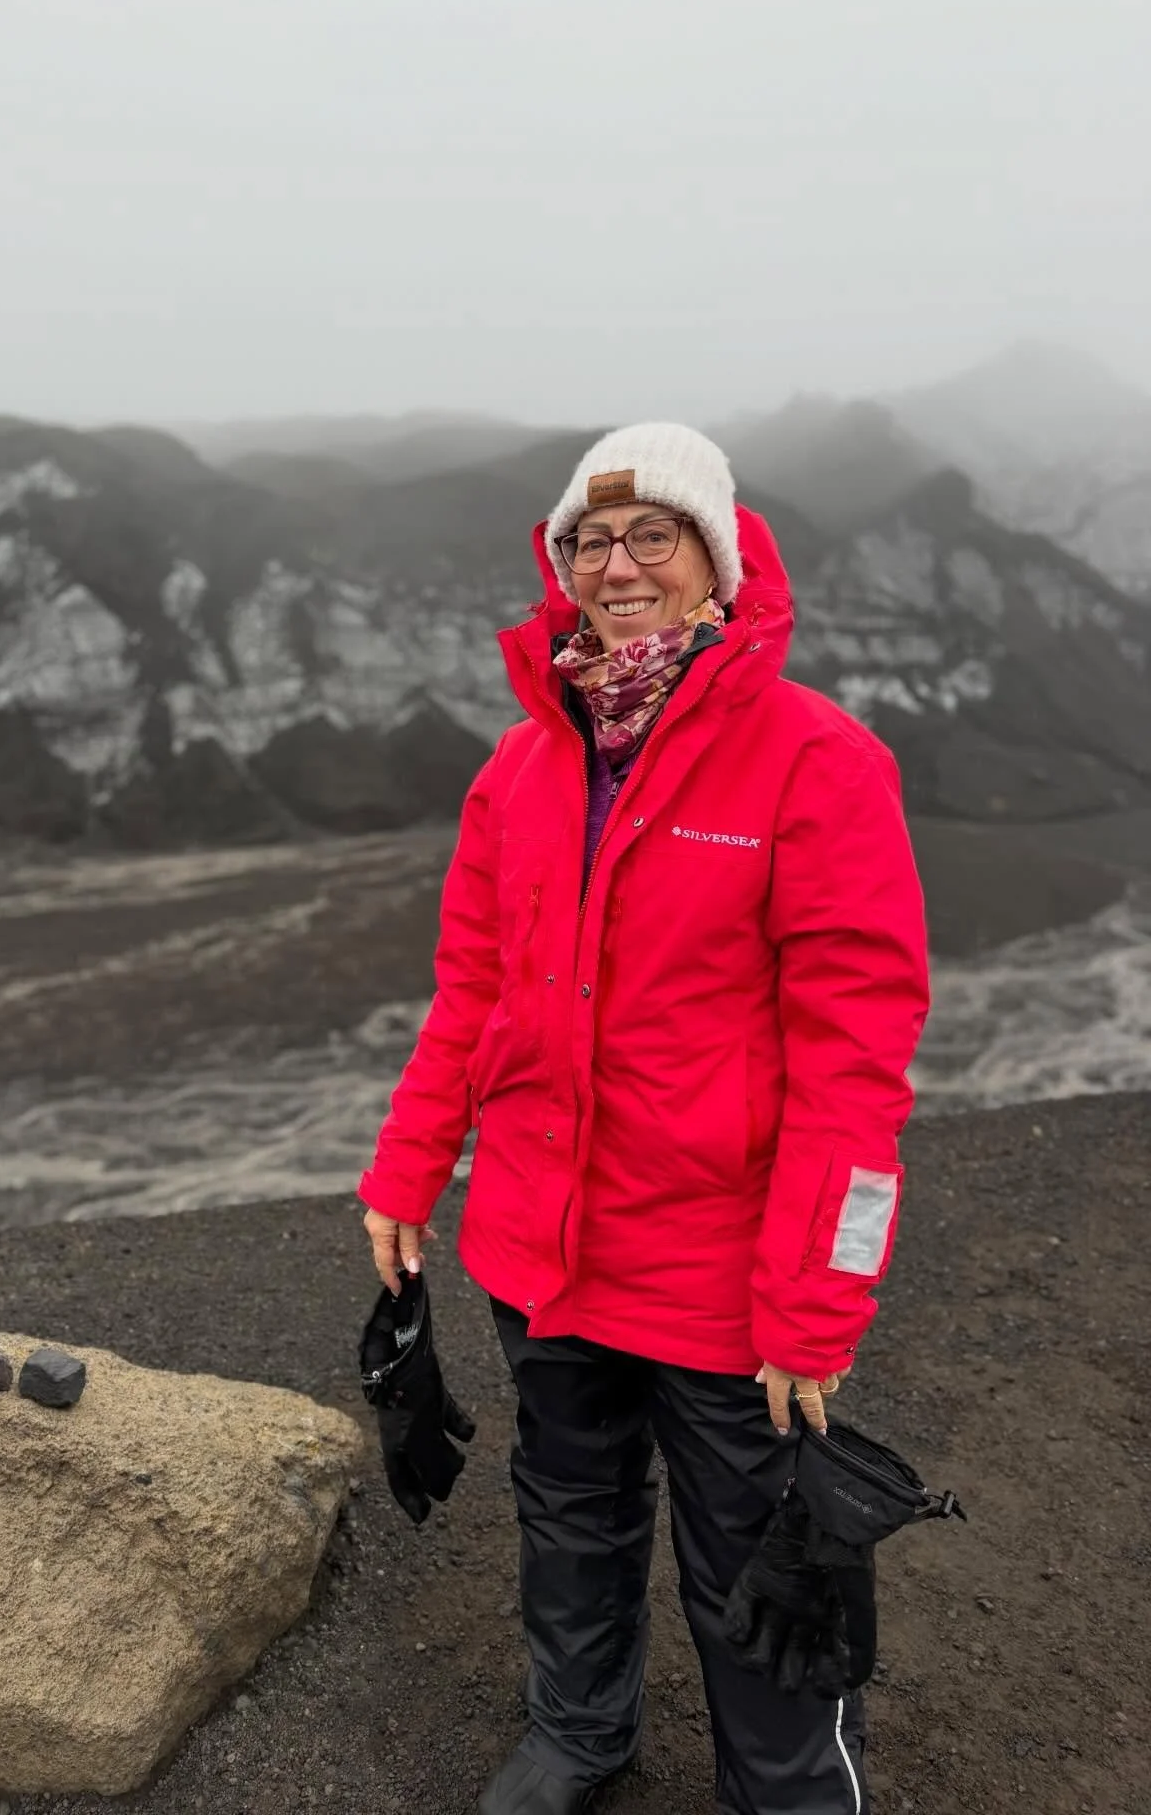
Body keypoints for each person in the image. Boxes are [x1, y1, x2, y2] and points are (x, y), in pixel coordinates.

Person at [357, 423, 931, 1815]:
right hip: (542, 1250)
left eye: (653, 536)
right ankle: (579, 1735)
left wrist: (817, 1297)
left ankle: (786, 1795)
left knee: (758, 1558)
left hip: (717, 1271)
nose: (618, 567)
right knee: (570, 1509)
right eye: (590, 542)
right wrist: (408, 1166)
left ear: (715, 563)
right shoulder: (523, 766)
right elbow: (474, 990)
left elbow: (856, 1059)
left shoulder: (817, 761)